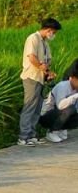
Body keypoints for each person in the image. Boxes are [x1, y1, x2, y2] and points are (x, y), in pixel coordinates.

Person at [19, 18, 61, 146]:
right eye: (54, 32)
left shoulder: (45, 43)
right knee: (30, 107)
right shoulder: (33, 38)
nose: (54, 35)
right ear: (49, 30)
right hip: (31, 78)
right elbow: (32, 57)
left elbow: (46, 62)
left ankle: (32, 135)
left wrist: (49, 73)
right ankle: (23, 137)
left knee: (37, 108)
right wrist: (42, 67)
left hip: (41, 78)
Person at [39, 72, 78, 143]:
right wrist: (75, 96)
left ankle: (61, 129)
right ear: (73, 78)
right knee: (70, 109)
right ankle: (52, 132)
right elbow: (60, 106)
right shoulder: (63, 86)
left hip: (59, 113)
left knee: (73, 110)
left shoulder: (76, 89)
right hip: (45, 115)